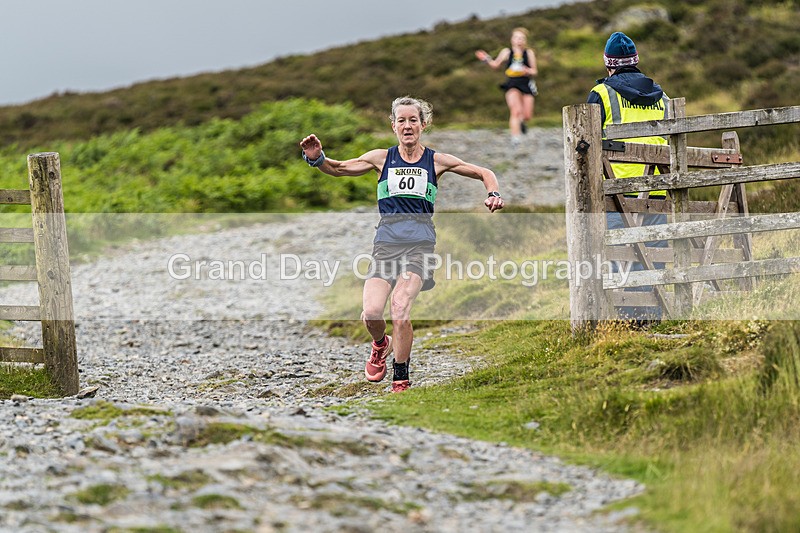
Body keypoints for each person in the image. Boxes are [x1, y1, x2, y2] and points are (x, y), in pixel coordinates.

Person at [299, 96, 504, 392]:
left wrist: (493, 192)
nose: (407, 126)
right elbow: (340, 168)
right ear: (393, 125)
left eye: (413, 120)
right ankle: (381, 345)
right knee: (371, 313)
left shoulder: (435, 161)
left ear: (423, 124)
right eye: (401, 120)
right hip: (386, 244)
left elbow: (483, 172)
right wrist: (317, 158)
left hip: (420, 245)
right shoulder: (381, 158)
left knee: (400, 307)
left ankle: (401, 375)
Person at [587, 31, 670, 325]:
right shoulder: (663, 96)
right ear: (636, 61)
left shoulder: (601, 95)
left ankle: (624, 318)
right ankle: (652, 315)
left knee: (620, 254)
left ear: (608, 63)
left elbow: (586, 139)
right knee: (652, 252)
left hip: (617, 190)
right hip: (657, 189)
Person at [475, 27, 538, 145]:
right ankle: (516, 138)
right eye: (517, 38)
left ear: (525, 40)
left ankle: (521, 123)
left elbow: (535, 71)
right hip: (512, 83)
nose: (519, 40)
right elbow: (495, 65)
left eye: (522, 38)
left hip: (526, 83)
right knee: (515, 110)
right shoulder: (507, 52)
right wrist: (486, 58)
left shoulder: (529, 53)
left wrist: (527, 70)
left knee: (527, 115)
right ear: (512, 39)